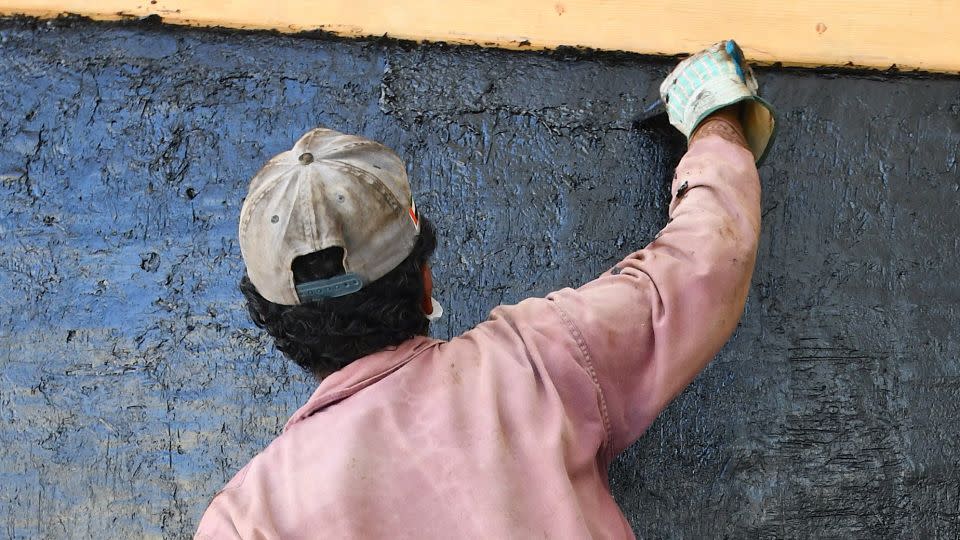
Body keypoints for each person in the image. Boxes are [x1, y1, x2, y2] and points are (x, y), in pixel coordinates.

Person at [195, 40, 776, 539]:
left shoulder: (248, 521)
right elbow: (707, 259)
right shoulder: (533, 362)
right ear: (424, 282)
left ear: (276, 327)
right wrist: (715, 118)